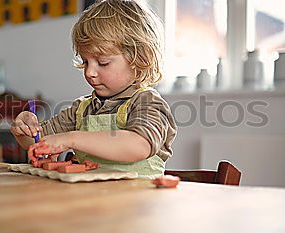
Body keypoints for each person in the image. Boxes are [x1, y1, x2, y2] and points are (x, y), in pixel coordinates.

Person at [10, 0, 177, 179]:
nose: (89, 72)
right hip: (91, 202)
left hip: (138, 202)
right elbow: (41, 142)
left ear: (140, 58)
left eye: (102, 62)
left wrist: (71, 139)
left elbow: (138, 145)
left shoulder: (147, 102)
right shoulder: (81, 109)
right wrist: (25, 130)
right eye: (85, 62)